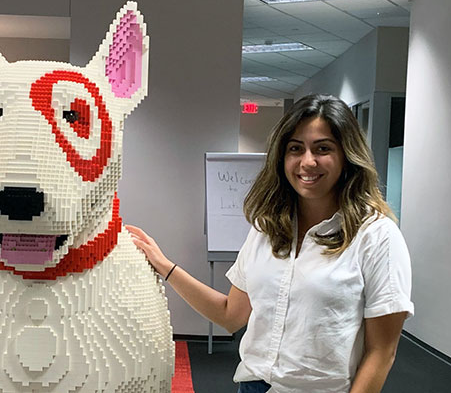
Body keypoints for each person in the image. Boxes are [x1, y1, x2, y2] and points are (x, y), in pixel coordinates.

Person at [126, 94, 414, 393]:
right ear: (282, 157)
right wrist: (165, 266)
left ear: (346, 155)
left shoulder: (376, 236)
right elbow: (229, 314)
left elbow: (381, 352)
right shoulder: (267, 229)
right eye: (295, 149)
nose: (307, 162)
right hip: (252, 387)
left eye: (323, 148)